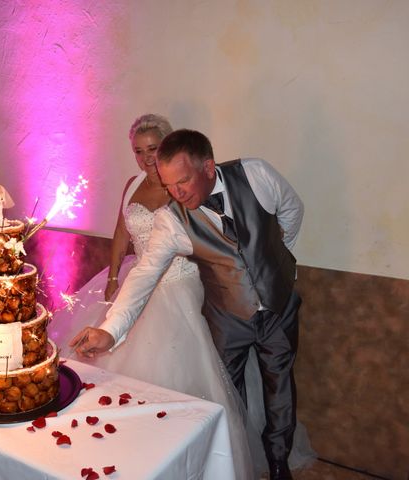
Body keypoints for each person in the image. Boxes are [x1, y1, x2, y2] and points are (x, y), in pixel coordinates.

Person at [70, 129, 305, 480]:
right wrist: (110, 331)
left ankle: (277, 462)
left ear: (208, 167)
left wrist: (278, 259)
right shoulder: (172, 220)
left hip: (278, 307)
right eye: (169, 185)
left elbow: (292, 210)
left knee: (280, 387)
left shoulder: (256, 174)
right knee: (226, 398)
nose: (176, 193)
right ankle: (234, 464)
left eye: (182, 181)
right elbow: (145, 274)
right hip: (227, 317)